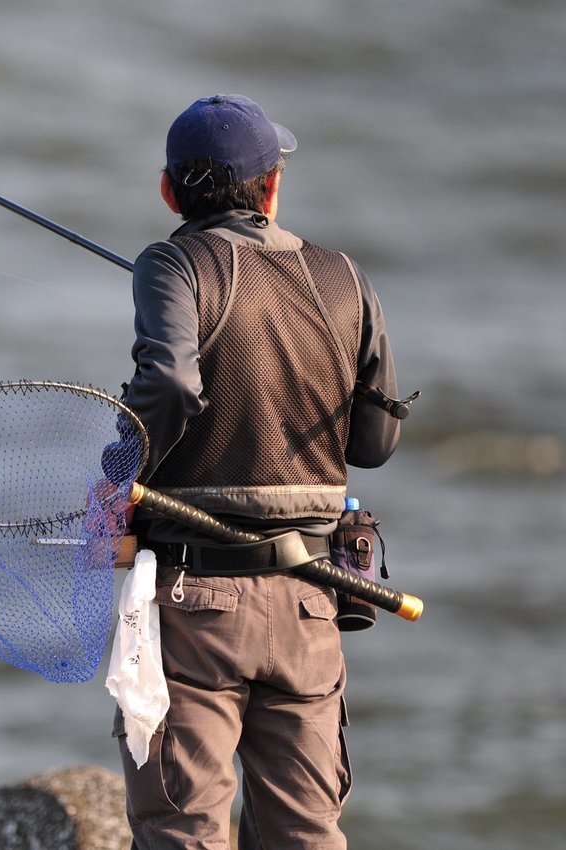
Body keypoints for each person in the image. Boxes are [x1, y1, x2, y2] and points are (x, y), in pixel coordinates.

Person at [112, 94, 402, 849]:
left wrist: (117, 474)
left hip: (196, 603)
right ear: (271, 187)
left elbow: (169, 384)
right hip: (311, 603)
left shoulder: (171, 263)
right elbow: (374, 443)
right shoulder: (343, 277)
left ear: (169, 191)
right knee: (306, 833)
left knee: (184, 830)